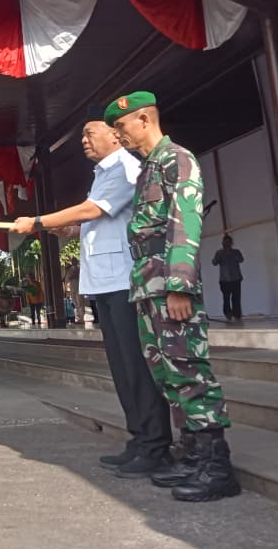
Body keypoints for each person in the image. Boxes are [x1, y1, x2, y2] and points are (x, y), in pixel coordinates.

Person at [13, 111, 172, 479]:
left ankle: (155, 446)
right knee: (121, 369)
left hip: (124, 281)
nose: (84, 140)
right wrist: (65, 231)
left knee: (136, 367)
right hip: (105, 282)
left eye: (90, 133)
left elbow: (92, 210)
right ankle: (140, 439)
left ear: (115, 136)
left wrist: (38, 221)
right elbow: (95, 222)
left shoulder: (124, 168)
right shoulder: (103, 173)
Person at [106, 91, 240, 501]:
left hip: (169, 285)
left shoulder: (176, 159)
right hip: (147, 285)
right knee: (166, 373)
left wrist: (179, 285)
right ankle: (193, 454)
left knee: (187, 369)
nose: (118, 134)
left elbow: (185, 222)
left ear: (144, 119)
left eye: (121, 126)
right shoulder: (148, 169)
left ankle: (216, 467)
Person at [212, 235, 244, 322]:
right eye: (225, 242)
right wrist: (220, 255)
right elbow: (214, 263)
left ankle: (237, 315)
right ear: (222, 243)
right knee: (226, 298)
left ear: (231, 243)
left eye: (228, 242)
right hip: (224, 280)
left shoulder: (236, 252)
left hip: (236, 278)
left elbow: (241, 260)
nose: (226, 244)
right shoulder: (219, 252)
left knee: (236, 298)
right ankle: (228, 315)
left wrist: (232, 253)